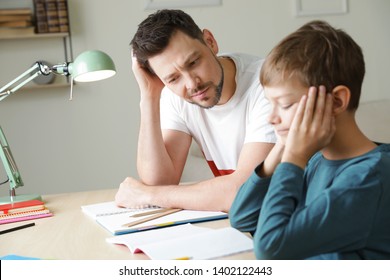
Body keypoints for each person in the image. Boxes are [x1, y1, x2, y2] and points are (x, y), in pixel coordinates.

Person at [229, 20, 390, 259]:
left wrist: (294, 157)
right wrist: (282, 147)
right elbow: (242, 217)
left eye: (284, 104)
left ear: (336, 101)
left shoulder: (369, 178)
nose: (271, 118)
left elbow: (270, 248)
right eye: (269, 103)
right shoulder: (314, 160)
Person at [115, 9, 275, 212]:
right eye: (173, 78)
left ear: (210, 41)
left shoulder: (269, 86)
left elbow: (246, 192)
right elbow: (160, 181)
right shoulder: (175, 97)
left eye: (193, 63)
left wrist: (148, 195)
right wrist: (149, 97)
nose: (192, 84)